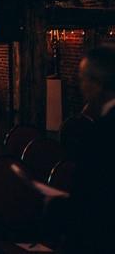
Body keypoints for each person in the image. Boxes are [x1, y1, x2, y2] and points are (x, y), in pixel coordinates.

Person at [63, 46, 115, 252]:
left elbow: (90, 200)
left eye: (83, 79)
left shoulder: (100, 133)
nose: (81, 86)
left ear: (98, 84)